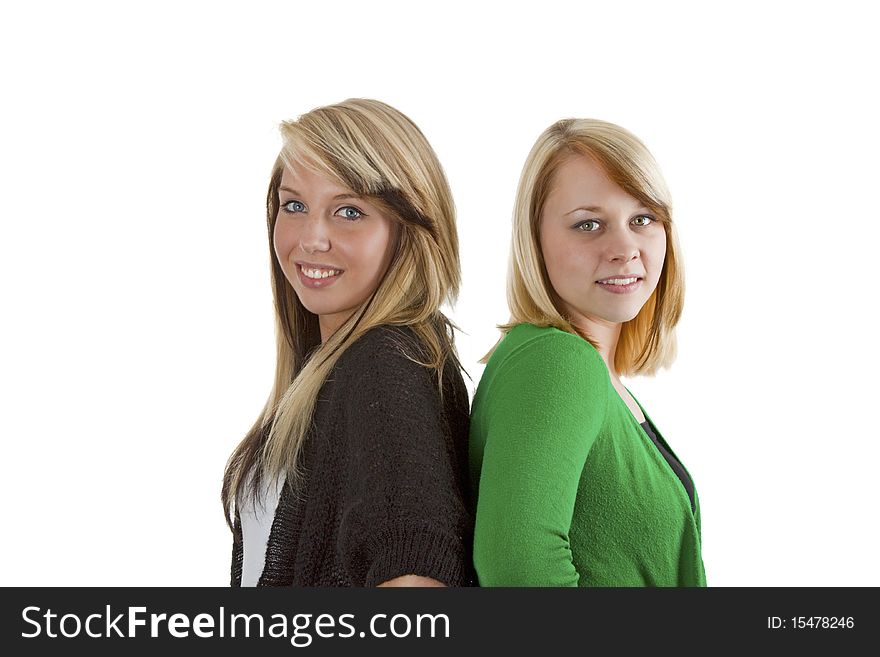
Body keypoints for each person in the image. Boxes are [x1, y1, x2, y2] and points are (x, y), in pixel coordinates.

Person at [222, 99, 474, 587]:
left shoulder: (384, 364)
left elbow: (417, 580)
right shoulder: (339, 364)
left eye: (349, 211)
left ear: (408, 230)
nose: (311, 238)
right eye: (294, 205)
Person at [469, 118, 706, 586]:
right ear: (534, 242)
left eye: (643, 219)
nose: (624, 248)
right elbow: (519, 570)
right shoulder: (556, 361)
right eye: (588, 224)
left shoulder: (592, 373)